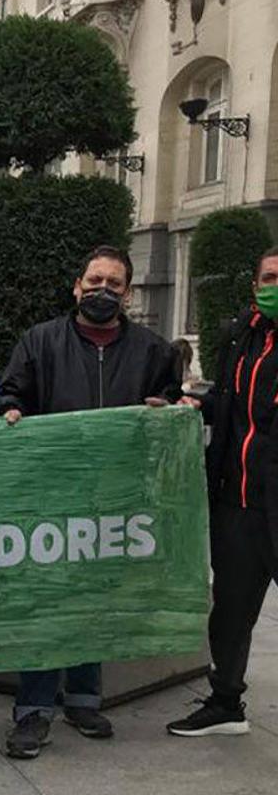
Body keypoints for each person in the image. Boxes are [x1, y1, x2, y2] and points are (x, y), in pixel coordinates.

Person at [0, 245, 181, 759]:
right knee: (48, 600)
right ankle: (32, 711)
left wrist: (165, 410)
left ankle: (82, 698)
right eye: (94, 280)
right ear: (77, 286)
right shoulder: (40, 341)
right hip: (50, 496)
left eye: (114, 284)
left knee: (97, 597)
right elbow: (12, 393)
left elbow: (170, 404)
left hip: (116, 500)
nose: (103, 291)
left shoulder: (154, 350)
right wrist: (11, 410)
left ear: (128, 293)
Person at [167, 247, 278, 738]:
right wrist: (189, 406)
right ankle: (226, 702)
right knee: (230, 612)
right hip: (238, 503)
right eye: (270, 277)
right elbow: (228, 406)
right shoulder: (240, 335)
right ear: (256, 285)